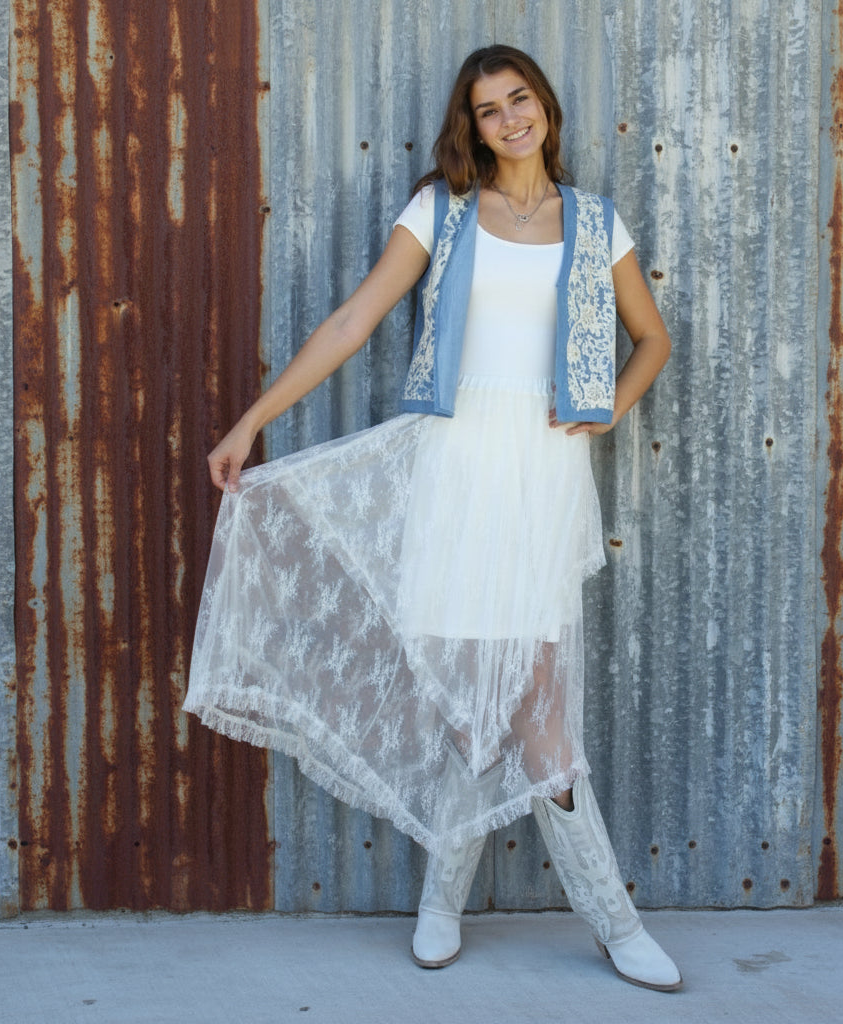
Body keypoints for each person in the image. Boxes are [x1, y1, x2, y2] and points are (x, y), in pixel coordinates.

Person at [184, 44, 679, 991]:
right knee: (469, 709)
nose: (509, 120)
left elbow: (653, 337)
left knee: (536, 711)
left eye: (520, 99)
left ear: (546, 108)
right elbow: (351, 323)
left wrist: (605, 408)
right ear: (473, 126)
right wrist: (252, 422)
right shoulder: (443, 213)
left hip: (542, 478)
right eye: (488, 110)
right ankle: (444, 904)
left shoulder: (596, 224)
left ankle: (614, 924)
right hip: (452, 477)